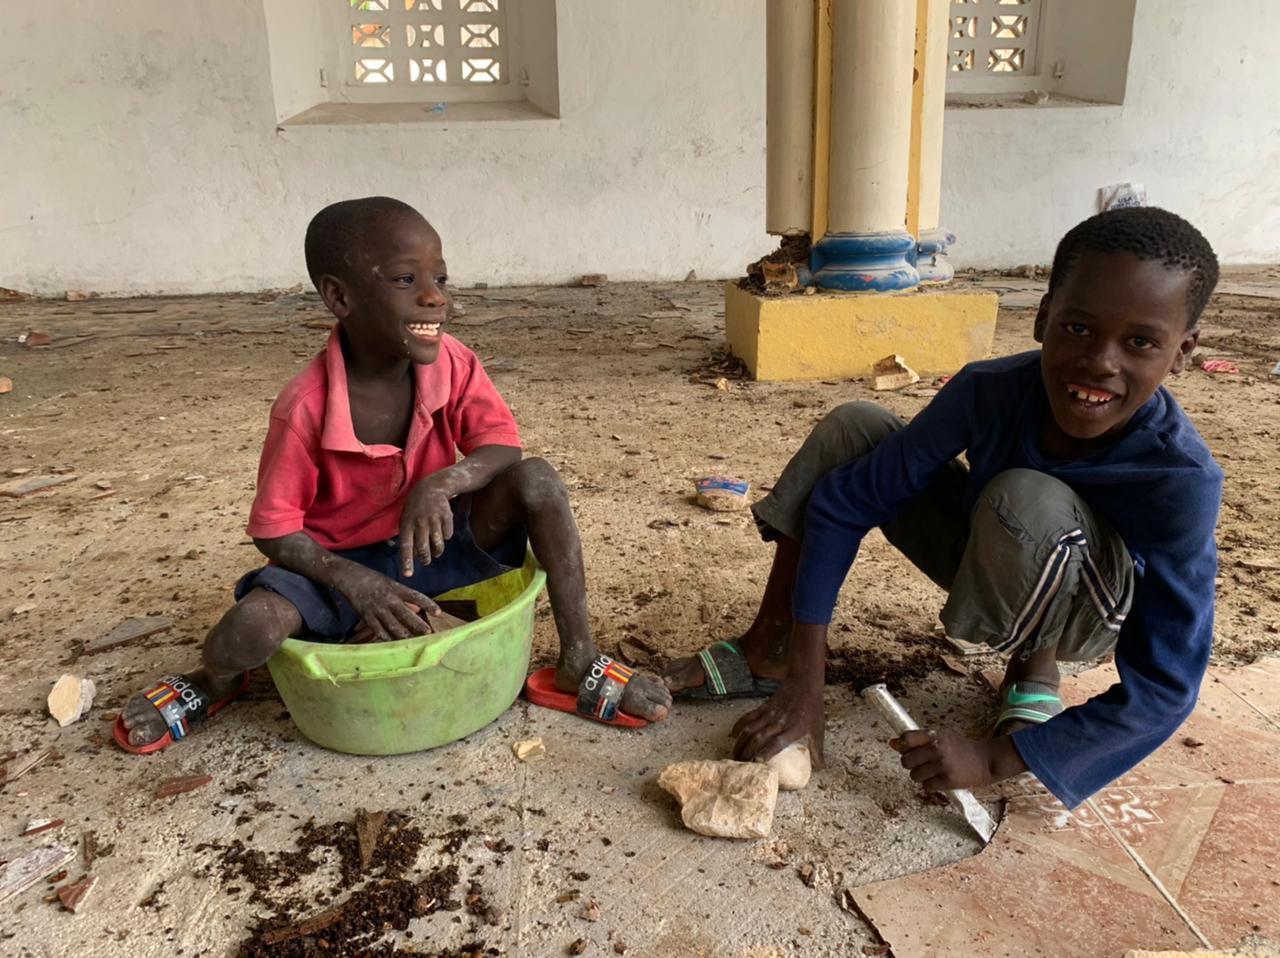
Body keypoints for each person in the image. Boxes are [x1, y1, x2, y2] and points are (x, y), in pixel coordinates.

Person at [665, 207, 1222, 808]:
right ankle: (772, 650)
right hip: (992, 557)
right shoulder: (987, 391)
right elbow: (843, 503)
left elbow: (1166, 687)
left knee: (1028, 494)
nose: (1099, 362)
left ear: (1183, 351)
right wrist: (809, 680)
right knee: (855, 430)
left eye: (1140, 342)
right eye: (1078, 329)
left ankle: (1035, 667)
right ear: (1042, 319)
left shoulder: (1180, 478)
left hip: (1090, 608)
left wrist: (993, 759)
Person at [116, 197, 671, 752]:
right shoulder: (305, 407)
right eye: (406, 279)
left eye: (440, 277)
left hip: (430, 544)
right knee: (248, 631)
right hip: (335, 570)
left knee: (539, 481)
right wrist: (357, 583)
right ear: (340, 296)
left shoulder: (452, 361)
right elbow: (274, 530)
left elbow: (502, 445)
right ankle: (214, 681)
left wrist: (443, 482)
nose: (435, 296)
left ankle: (579, 658)